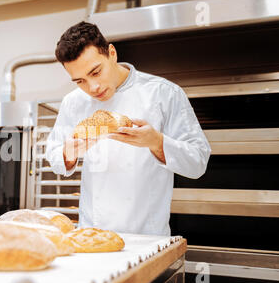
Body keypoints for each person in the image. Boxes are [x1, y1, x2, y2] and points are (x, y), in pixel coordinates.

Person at [45, 21, 211, 236]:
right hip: (93, 234)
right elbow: (55, 156)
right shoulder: (73, 102)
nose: (92, 88)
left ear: (111, 53)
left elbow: (197, 163)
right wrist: (69, 153)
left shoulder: (163, 93)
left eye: (96, 72)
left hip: (147, 236)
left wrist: (156, 142)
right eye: (80, 81)